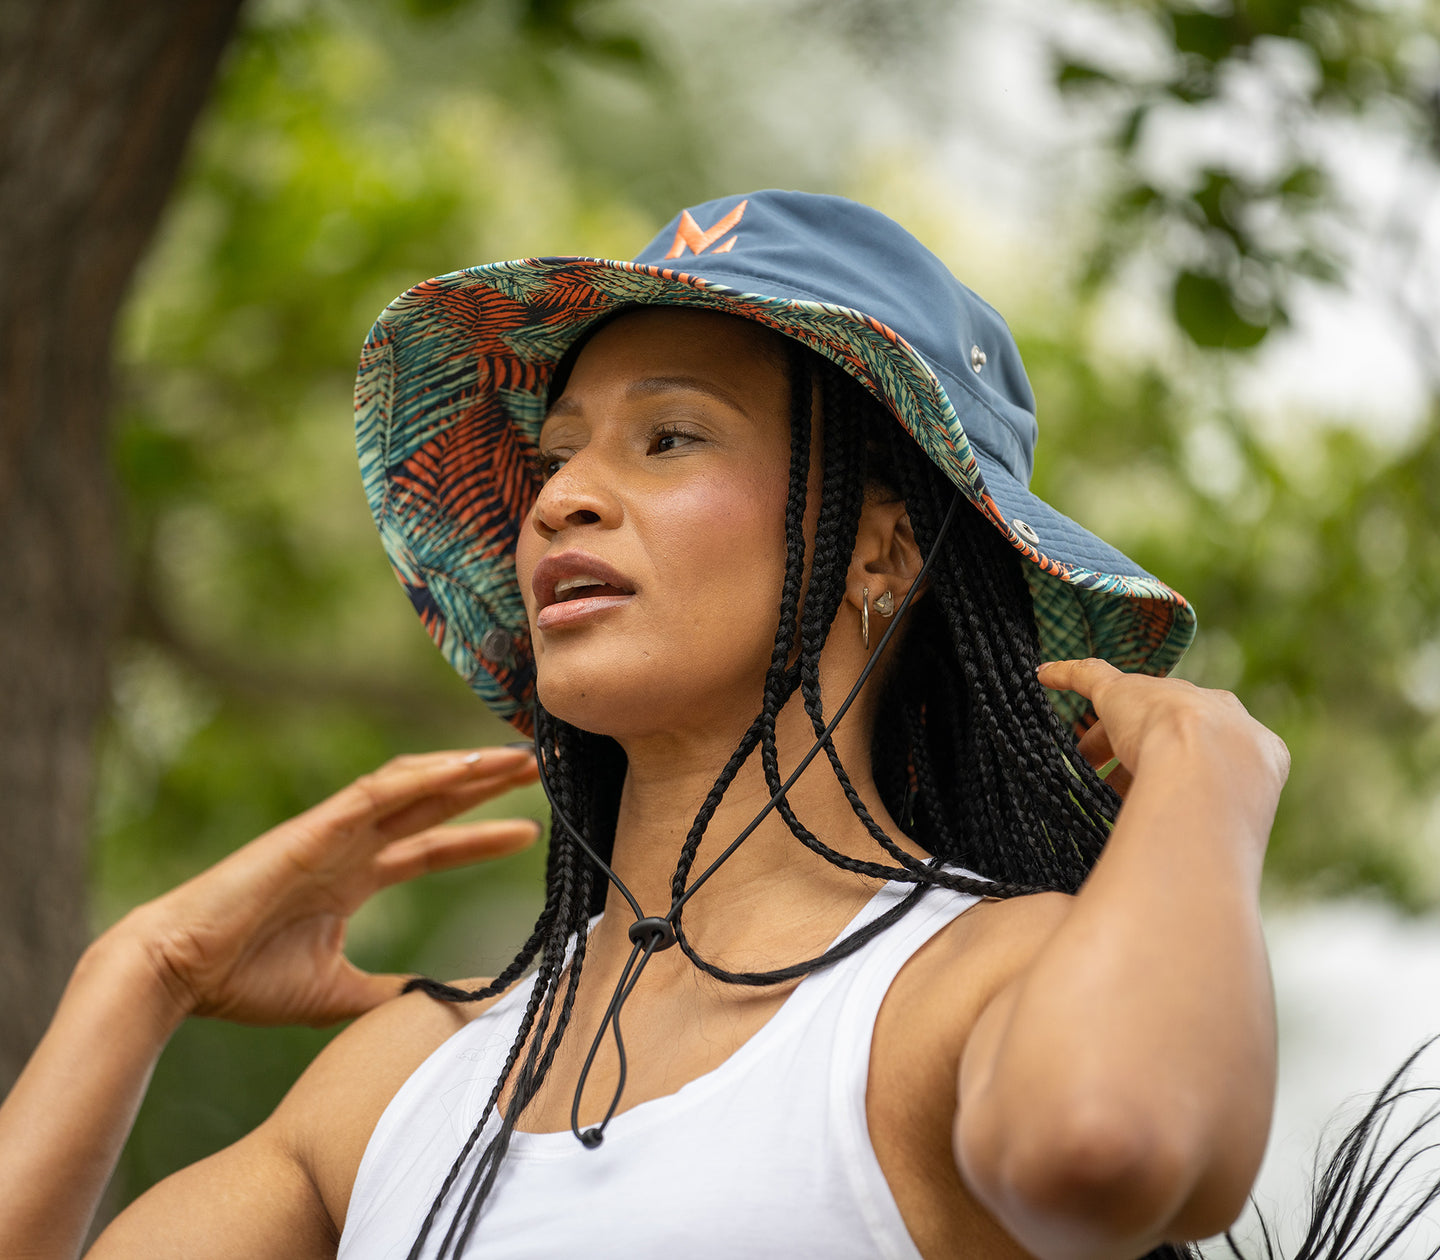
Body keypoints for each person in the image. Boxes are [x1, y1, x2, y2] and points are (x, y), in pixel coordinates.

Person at [1, 187, 1369, 1260]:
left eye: (667, 439)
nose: (559, 502)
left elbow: (1106, 1149)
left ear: (882, 549)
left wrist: (1208, 772)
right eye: (555, 457)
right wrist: (147, 969)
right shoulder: (412, 1077)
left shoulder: (961, 995)